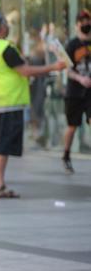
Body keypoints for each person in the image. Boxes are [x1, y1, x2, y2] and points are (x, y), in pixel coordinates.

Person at [0, 13, 66, 198]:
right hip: (8, 102)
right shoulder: (5, 47)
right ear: (1, 28)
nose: (8, 28)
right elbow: (26, 71)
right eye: (6, 24)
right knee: (2, 144)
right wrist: (54, 67)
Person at [62, 10, 91, 174]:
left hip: (90, 92)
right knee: (72, 126)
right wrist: (80, 79)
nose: (86, 24)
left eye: (88, 20)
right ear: (77, 24)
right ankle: (66, 154)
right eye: (83, 21)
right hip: (75, 92)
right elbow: (67, 69)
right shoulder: (72, 45)